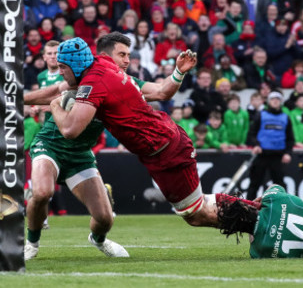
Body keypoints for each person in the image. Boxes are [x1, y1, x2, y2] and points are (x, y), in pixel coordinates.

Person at [45, 35, 261, 229]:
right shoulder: (103, 68)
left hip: (166, 149)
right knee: (198, 207)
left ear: (75, 64)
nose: (60, 72)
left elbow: (70, 130)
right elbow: (161, 91)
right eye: (123, 55)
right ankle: (257, 208)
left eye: (62, 67)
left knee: (196, 214)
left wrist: (55, 106)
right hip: (160, 148)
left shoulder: (95, 82)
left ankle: (258, 222)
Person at [23, 33, 203, 260]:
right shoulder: (85, 77)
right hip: (51, 145)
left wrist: (178, 71)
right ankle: (31, 242)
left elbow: (161, 92)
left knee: (105, 218)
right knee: (42, 192)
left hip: (80, 154)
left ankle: (98, 240)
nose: (127, 61)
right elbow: (53, 94)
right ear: (106, 57)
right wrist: (19, 99)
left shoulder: (125, 83)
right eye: (122, 55)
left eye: (128, 55)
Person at [246, 91, 294, 200]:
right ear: (268, 101)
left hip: (278, 156)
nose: (275, 101)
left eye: (277, 99)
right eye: (273, 99)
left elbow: (290, 139)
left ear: (281, 102)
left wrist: (288, 153)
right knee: (255, 183)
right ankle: (247, 207)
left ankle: (283, 207)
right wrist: (256, 145)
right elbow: (251, 133)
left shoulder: (285, 117)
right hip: (262, 154)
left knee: (280, 185)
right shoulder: (261, 115)